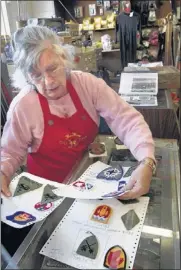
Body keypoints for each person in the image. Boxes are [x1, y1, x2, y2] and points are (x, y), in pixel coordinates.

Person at [1, 25, 156, 200]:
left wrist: (146, 161)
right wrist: (3, 174)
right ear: (27, 77)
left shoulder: (87, 85)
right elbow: (10, 152)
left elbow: (127, 120)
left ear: (63, 57)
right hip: (45, 193)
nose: (49, 81)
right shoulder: (23, 106)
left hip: (85, 179)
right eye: (37, 75)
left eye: (52, 68)